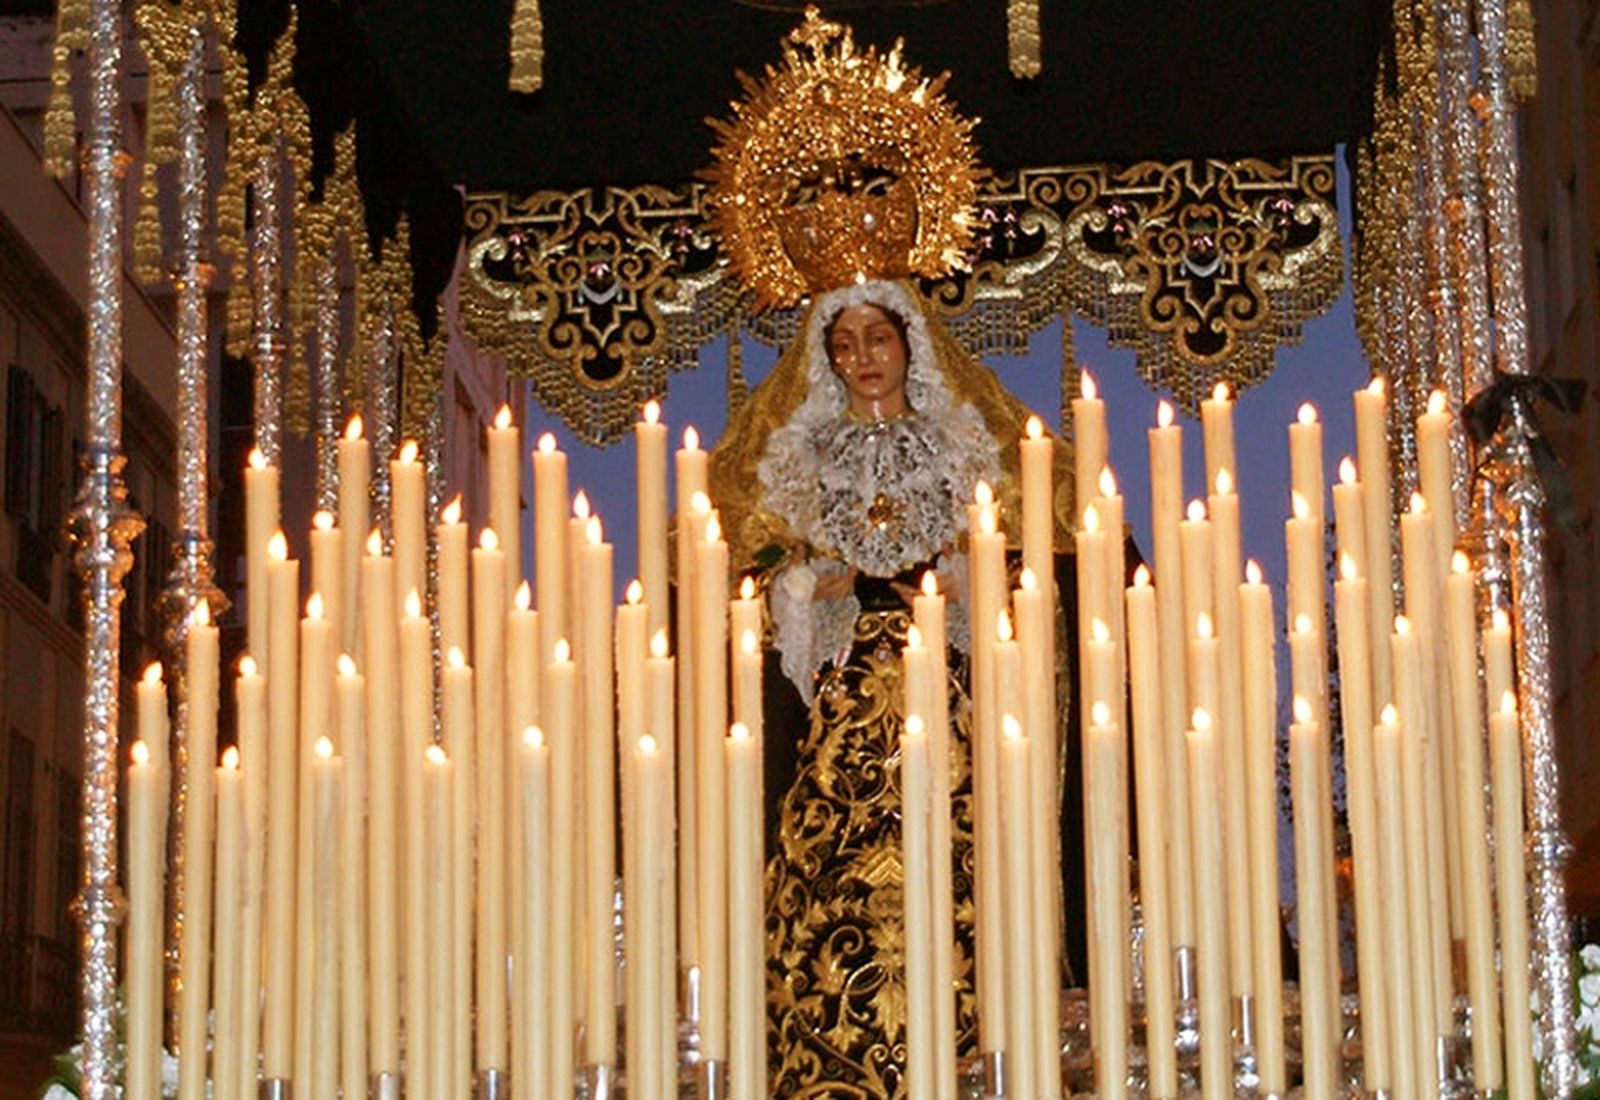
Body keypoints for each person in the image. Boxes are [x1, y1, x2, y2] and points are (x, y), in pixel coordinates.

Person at [709, 278, 1071, 1099]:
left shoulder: (957, 446)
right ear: (828, 360)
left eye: (878, 338)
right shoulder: (805, 457)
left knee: (957, 868)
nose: (863, 357)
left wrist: (952, 588)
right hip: (844, 707)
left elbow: (1002, 572)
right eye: (845, 344)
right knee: (831, 880)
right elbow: (776, 594)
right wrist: (806, 588)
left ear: (910, 343)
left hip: (937, 690)